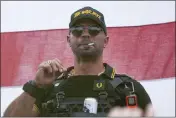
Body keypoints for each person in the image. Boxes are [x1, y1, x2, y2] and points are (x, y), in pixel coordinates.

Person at [3, 6, 154, 117]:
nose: (86, 34)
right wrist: (36, 86)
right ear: (69, 39)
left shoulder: (128, 88)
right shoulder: (47, 88)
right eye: (78, 31)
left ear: (106, 40)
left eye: (94, 30)